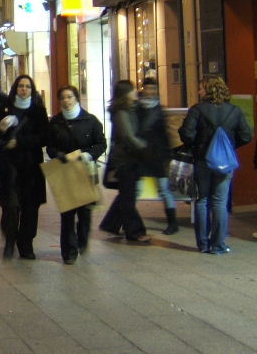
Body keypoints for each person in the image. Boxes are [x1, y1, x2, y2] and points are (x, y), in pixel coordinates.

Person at [179, 75, 252, 254]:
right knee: (220, 202)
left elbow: (186, 133)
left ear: (209, 90)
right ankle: (218, 245)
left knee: (202, 200)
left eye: (201, 87)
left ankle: (203, 244)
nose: (198, 91)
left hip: (203, 160)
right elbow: (246, 135)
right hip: (225, 162)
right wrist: (229, 146)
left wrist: (198, 145)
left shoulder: (197, 110)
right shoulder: (234, 111)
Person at [46, 85, 107, 264]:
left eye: (69, 97)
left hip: (85, 170)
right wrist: (60, 156)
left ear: (76, 99)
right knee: (67, 215)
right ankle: (69, 252)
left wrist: (89, 155)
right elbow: (50, 147)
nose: (66, 101)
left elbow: (101, 143)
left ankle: (82, 240)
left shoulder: (91, 120)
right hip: (64, 171)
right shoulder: (55, 122)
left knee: (85, 213)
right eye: (63, 98)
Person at [0, 74, 49, 259]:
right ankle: (10, 240)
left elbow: (44, 137)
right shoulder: (5, 108)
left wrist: (20, 142)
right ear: (15, 88)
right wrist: (1, 127)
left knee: (30, 208)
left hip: (31, 166)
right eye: (21, 86)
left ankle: (26, 244)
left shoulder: (38, 111)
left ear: (32, 90)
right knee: (11, 205)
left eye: (27, 86)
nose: (24, 89)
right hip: (10, 166)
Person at [99, 80, 150, 244]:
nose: (136, 91)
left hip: (130, 158)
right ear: (126, 93)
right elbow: (128, 136)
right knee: (128, 196)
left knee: (127, 194)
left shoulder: (130, 109)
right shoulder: (122, 112)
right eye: (133, 89)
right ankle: (135, 231)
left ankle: (111, 224)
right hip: (126, 160)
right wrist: (143, 147)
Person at [137, 77, 177, 234]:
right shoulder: (137, 109)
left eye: (153, 89)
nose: (151, 92)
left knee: (164, 189)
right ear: (143, 89)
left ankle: (172, 223)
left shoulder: (160, 110)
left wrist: (167, 155)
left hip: (158, 156)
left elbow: (166, 135)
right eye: (148, 88)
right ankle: (127, 221)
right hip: (141, 155)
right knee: (136, 190)